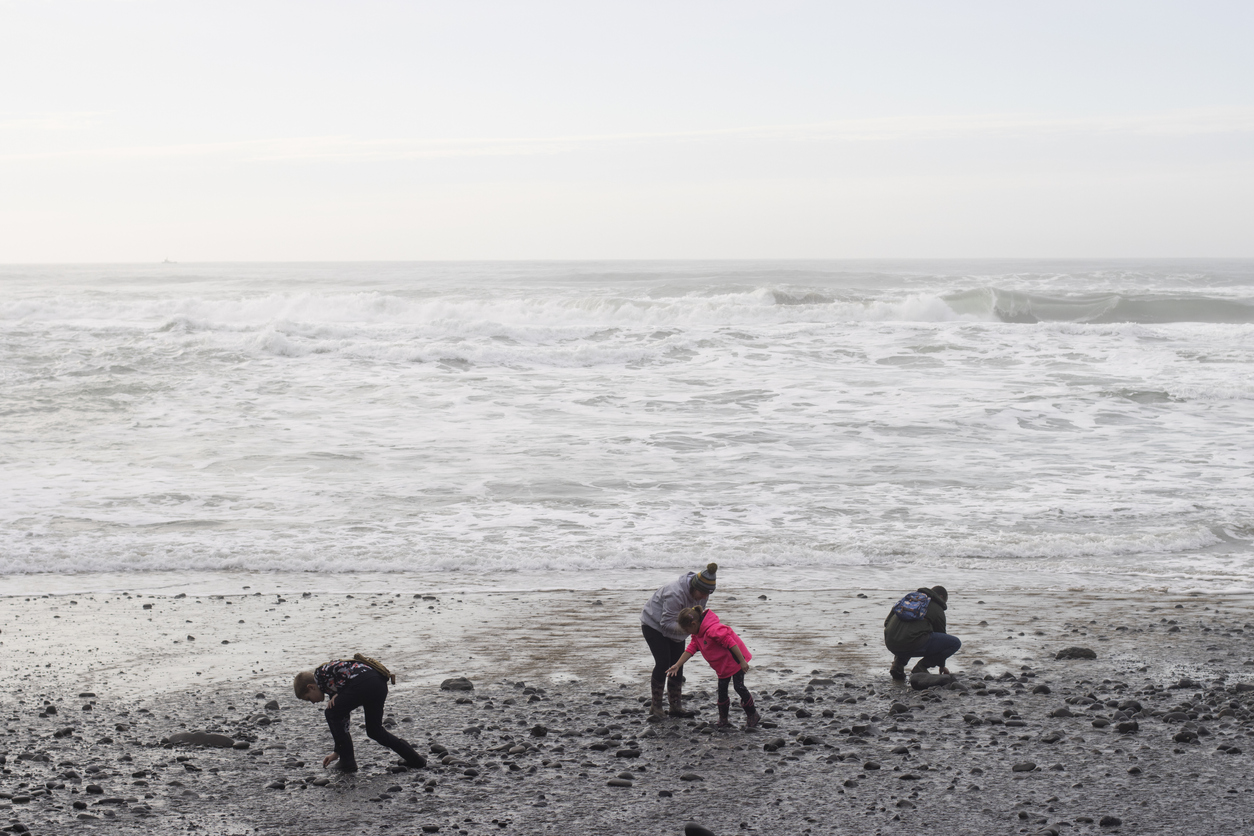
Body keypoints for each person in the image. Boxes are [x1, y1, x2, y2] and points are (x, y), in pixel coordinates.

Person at [293, 657, 427, 773]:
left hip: (366, 682)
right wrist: (337, 752)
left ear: (311, 687)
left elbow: (344, 670)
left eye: (308, 698)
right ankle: (415, 759)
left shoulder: (321, 673)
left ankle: (348, 762)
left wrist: (340, 691)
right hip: (378, 684)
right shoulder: (330, 686)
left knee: (331, 713)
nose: (312, 702)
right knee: (374, 731)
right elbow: (343, 719)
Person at [640, 563, 718, 719]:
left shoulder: (704, 593)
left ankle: (675, 706)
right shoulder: (675, 593)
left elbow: (697, 618)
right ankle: (656, 707)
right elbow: (666, 624)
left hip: (680, 626)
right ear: (694, 587)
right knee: (663, 662)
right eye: (702, 593)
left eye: (707, 594)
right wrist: (690, 628)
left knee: (677, 663)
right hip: (653, 624)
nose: (704, 597)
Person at [666, 605, 759, 729]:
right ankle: (723, 720)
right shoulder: (697, 635)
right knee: (722, 691)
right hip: (722, 666)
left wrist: (742, 661)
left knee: (739, 687)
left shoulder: (713, 630)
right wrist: (677, 665)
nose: (687, 633)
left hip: (735, 660)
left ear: (693, 624)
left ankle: (753, 714)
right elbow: (690, 649)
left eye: (687, 630)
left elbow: (731, 643)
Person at [883, 585, 960, 681]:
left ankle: (897, 667)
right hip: (910, 642)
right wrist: (941, 665)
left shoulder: (909, 600)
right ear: (941, 597)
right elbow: (941, 640)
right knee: (955, 643)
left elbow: (887, 623)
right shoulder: (937, 607)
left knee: (909, 633)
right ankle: (921, 667)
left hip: (890, 642)